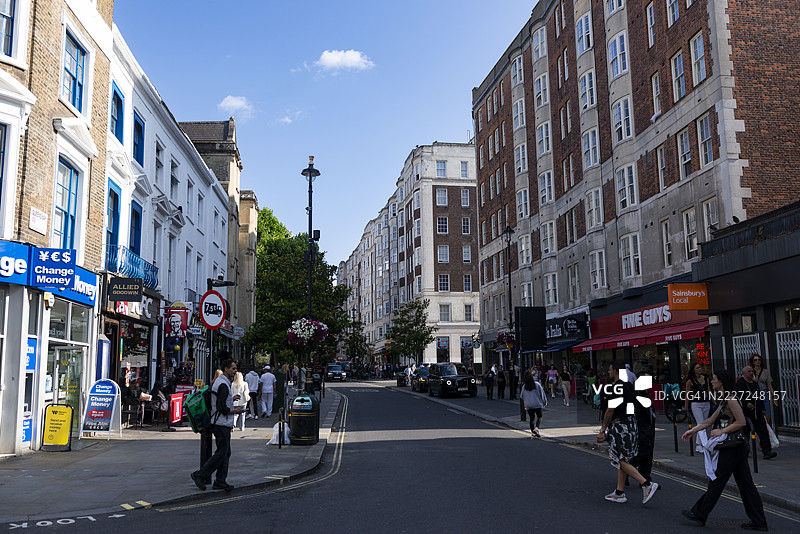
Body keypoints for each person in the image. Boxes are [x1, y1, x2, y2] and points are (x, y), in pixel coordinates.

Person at [681, 369, 769, 531]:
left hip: (733, 446)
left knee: (717, 480)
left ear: (721, 381)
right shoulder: (723, 399)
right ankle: (759, 521)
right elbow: (710, 420)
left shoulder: (731, 399)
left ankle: (700, 513)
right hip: (736, 447)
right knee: (746, 484)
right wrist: (693, 430)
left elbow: (741, 422)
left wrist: (722, 431)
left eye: (714, 379)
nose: (712, 381)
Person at [597, 360, 658, 505]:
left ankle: (646, 484)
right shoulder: (630, 386)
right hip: (631, 425)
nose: (609, 372)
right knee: (623, 459)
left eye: (611, 370)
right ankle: (619, 492)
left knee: (619, 459)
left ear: (616, 371)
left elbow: (610, 409)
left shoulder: (617, 386)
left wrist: (602, 430)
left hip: (620, 426)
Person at [191, 359, 246, 492]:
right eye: (233, 368)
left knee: (226, 452)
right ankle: (200, 474)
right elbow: (222, 408)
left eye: (235, 368)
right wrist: (236, 410)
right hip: (221, 423)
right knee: (222, 452)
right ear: (226, 369)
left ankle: (220, 481)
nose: (235, 371)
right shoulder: (223, 384)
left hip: (220, 422)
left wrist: (230, 399)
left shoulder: (221, 382)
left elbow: (219, 400)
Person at [737, 366, 776, 460]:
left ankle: (767, 451)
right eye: (749, 371)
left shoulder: (755, 383)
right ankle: (744, 451)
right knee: (745, 433)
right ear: (744, 373)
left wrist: (762, 408)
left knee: (763, 432)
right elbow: (739, 396)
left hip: (757, 411)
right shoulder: (740, 383)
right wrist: (746, 403)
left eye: (752, 371)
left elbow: (760, 396)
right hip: (747, 413)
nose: (751, 373)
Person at [684, 361, 712, 452]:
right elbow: (687, 394)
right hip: (696, 404)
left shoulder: (705, 378)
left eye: (700, 367)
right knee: (701, 424)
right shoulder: (690, 381)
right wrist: (686, 406)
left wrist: (713, 400)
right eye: (697, 368)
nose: (699, 369)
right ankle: (706, 445)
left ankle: (698, 445)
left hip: (706, 403)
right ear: (693, 370)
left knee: (702, 425)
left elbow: (708, 390)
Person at [750, 353, 777, 423]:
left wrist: (774, 396)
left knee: (766, 410)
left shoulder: (765, 372)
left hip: (763, 392)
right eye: (755, 360)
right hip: (754, 393)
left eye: (759, 360)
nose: (757, 361)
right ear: (752, 362)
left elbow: (769, 385)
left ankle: (767, 426)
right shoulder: (750, 372)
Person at [520, 370, 548, 437]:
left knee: (532, 419)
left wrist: (525, 405)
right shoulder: (537, 384)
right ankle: (537, 428)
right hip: (537, 404)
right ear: (532, 377)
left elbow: (522, 396)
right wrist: (545, 402)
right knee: (539, 416)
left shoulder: (524, 386)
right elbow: (542, 394)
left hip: (529, 405)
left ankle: (533, 432)